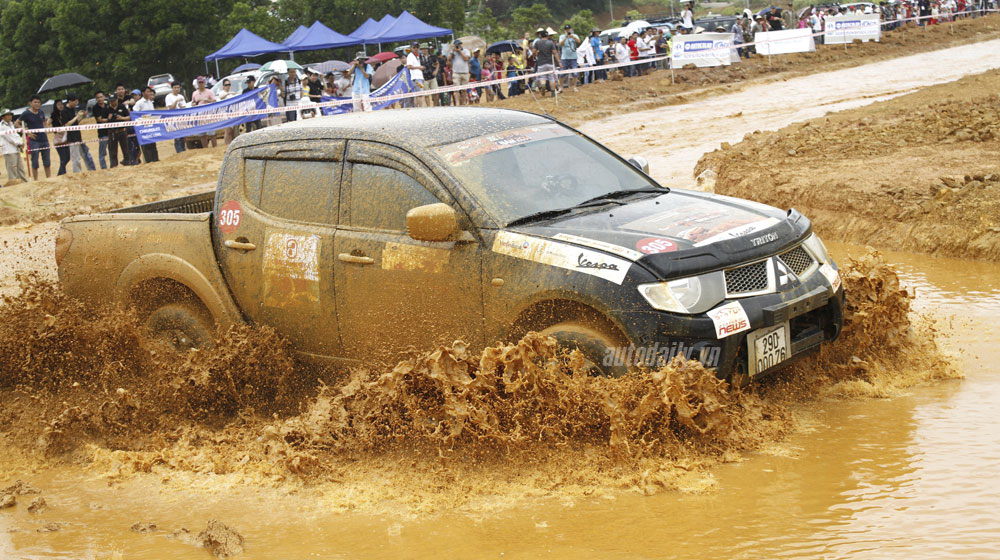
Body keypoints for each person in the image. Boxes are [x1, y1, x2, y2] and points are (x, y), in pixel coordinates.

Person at [16, 95, 51, 180]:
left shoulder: (41, 112)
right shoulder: (26, 113)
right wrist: (27, 132)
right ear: (31, 103)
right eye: (35, 102)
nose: (37, 104)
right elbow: (16, 124)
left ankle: (49, 178)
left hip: (44, 139)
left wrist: (46, 129)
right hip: (34, 140)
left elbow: (44, 121)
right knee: (35, 161)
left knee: (47, 161)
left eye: (38, 102)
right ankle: (36, 180)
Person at [61, 95, 92, 172]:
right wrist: (77, 116)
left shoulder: (72, 109)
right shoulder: (64, 111)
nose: (76, 103)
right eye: (75, 102)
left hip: (78, 135)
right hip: (71, 137)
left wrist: (82, 117)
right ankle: (77, 172)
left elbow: (75, 122)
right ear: (70, 101)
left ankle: (90, 170)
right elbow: (67, 124)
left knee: (85, 154)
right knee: (76, 157)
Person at [1, 109, 28, 184]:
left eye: (10, 115)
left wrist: (21, 142)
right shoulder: (2, 126)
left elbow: (15, 135)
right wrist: (19, 143)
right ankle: (13, 184)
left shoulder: (11, 124)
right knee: (12, 168)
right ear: (3, 117)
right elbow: (10, 138)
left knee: (20, 167)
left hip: (15, 149)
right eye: (7, 115)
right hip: (9, 150)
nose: (10, 116)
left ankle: (23, 182)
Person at [133, 87, 159, 163]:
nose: (149, 93)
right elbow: (135, 113)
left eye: (150, 92)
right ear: (143, 93)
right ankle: (148, 161)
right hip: (143, 128)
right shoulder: (139, 103)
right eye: (147, 91)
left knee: (153, 144)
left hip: (151, 126)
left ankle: (155, 159)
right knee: (146, 146)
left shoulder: (150, 102)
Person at [106, 95, 132, 167]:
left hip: (122, 130)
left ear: (117, 100)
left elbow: (129, 117)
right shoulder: (107, 108)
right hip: (112, 131)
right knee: (112, 150)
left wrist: (122, 118)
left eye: (114, 100)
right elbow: (102, 120)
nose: (112, 102)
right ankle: (114, 165)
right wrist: (108, 118)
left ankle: (127, 162)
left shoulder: (122, 107)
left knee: (125, 149)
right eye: (111, 101)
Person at [191, 76, 217, 148]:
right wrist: (195, 103)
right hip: (199, 115)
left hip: (208, 114)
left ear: (204, 83)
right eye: (199, 82)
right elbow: (192, 103)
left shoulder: (209, 91)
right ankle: (205, 149)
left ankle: (215, 148)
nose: (201, 84)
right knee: (202, 134)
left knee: (212, 133)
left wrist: (206, 100)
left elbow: (214, 100)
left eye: (202, 82)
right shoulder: (195, 93)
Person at [533, 29, 559, 95]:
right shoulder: (551, 43)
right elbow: (555, 52)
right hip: (550, 63)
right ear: (547, 35)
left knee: (542, 77)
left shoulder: (537, 42)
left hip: (541, 63)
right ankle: (553, 92)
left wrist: (535, 55)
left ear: (540, 35)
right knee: (551, 78)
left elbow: (533, 52)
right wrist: (559, 61)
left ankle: (543, 85)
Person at [49, 99, 72, 176]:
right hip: (58, 139)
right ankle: (62, 174)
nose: (61, 106)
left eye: (62, 104)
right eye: (59, 104)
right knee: (63, 158)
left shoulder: (64, 113)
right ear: (55, 106)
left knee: (68, 157)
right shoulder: (53, 115)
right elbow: (47, 123)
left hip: (65, 137)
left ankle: (60, 174)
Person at [164, 82, 189, 152]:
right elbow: (171, 107)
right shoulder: (168, 96)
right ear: (172, 88)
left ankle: (183, 150)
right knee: (177, 137)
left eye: (178, 87)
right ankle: (179, 151)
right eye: (175, 87)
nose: (177, 89)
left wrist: (181, 107)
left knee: (183, 136)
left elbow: (184, 107)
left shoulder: (181, 96)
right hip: (173, 119)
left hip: (181, 118)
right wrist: (176, 101)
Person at [558, 24, 580, 90]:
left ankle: (575, 87)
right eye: (567, 30)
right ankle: (561, 87)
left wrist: (572, 37)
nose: (568, 31)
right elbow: (560, 44)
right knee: (562, 73)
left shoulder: (574, 35)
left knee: (575, 73)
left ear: (571, 29)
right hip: (564, 58)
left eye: (569, 29)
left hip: (573, 57)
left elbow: (579, 41)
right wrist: (565, 37)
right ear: (565, 30)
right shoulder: (562, 36)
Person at [449, 39, 472, 105]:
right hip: (456, 73)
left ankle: (463, 103)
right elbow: (448, 59)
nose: (459, 46)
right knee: (456, 89)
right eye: (457, 45)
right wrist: (452, 52)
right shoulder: (453, 52)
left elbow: (466, 59)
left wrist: (460, 52)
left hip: (465, 72)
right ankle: (457, 103)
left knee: (464, 90)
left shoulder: (466, 51)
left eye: (460, 44)